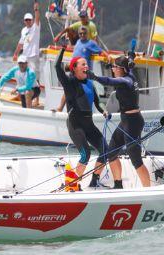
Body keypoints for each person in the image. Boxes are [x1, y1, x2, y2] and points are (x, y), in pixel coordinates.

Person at [88, 56, 151, 188]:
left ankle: (148, 189)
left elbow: (108, 81)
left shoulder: (126, 80)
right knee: (111, 153)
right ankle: (118, 184)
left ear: (122, 69)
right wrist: (131, 56)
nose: (112, 69)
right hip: (126, 121)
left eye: (115, 67)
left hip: (133, 123)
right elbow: (129, 64)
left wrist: (95, 77)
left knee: (136, 160)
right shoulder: (130, 74)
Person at [55, 45, 108, 186]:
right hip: (75, 124)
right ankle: (72, 184)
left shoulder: (91, 84)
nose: (86, 66)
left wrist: (104, 110)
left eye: (87, 64)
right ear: (74, 68)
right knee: (85, 154)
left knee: (105, 149)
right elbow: (57, 67)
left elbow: (98, 103)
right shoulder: (70, 83)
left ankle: (94, 180)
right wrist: (62, 49)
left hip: (88, 123)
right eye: (83, 64)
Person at [55, 26, 109, 112]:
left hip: (83, 72)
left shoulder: (91, 43)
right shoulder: (78, 42)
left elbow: (100, 50)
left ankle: (88, 110)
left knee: (86, 91)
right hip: (74, 70)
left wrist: (108, 57)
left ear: (87, 34)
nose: (82, 35)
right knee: (67, 88)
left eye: (84, 33)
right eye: (80, 33)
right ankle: (60, 108)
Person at [13, 1, 40, 84]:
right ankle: (24, 92)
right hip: (25, 56)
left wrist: (36, 9)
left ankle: (37, 95)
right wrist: (15, 54)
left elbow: (37, 18)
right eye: (26, 20)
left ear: (32, 20)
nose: (28, 21)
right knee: (24, 74)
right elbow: (21, 43)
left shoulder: (36, 27)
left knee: (35, 75)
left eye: (29, 19)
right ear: (24, 21)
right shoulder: (24, 30)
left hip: (33, 55)